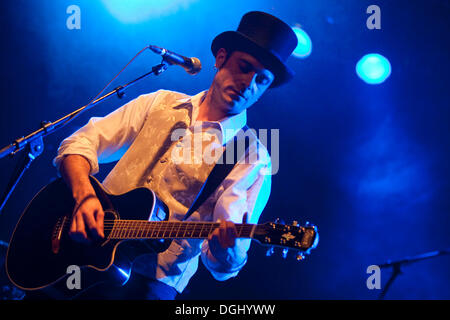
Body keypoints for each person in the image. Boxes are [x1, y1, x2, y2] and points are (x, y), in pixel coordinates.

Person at [51, 11, 298, 299]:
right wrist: (84, 196)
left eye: (262, 80)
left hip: (148, 287)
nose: (249, 83)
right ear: (220, 58)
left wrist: (227, 247)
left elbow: (222, 266)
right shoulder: (160, 102)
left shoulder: (254, 157)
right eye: (244, 67)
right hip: (79, 249)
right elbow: (78, 143)